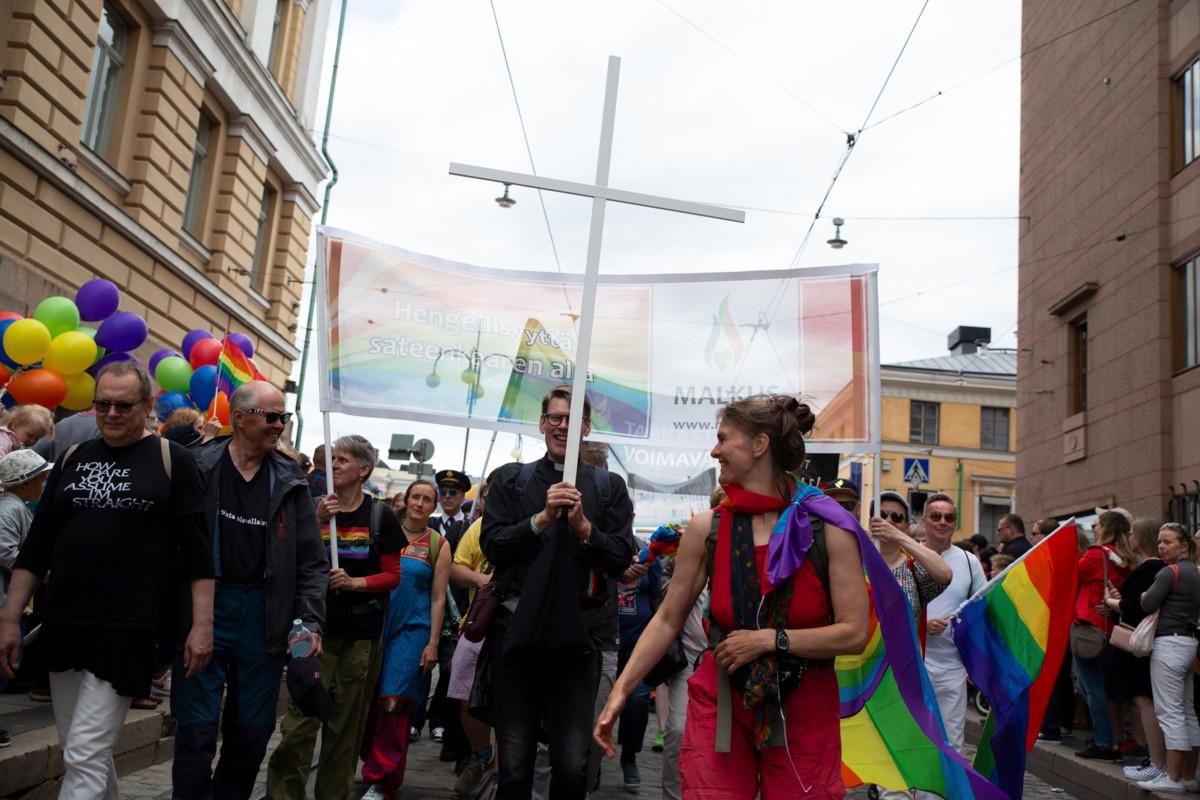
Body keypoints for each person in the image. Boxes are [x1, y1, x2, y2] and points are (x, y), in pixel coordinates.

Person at [595, 395, 869, 798]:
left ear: (759, 445)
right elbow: (668, 619)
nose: (714, 450)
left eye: (724, 438)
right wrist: (621, 691)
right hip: (721, 699)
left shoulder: (830, 529)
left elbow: (854, 632)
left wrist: (770, 639)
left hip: (803, 705)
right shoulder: (707, 529)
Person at [0, 361, 215, 799]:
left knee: (84, 753)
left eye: (123, 405)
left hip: (128, 627)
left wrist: (202, 625)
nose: (112, 414)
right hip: (63, 621)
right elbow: (37, 546)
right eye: (103, 405)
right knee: (83, 750)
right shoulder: (72, 457)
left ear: (148, 405)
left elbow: (198, 554)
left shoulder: (174, 461)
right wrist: (8, 620)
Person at [172, 381, 328, 800]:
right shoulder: (198, 466)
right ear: (239, 418)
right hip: (205, 606)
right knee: (196, 730)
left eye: (284, 417)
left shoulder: (290, 479)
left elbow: (313, 563)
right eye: (271, 416)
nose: (279, 425)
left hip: (265, 614)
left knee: (251, 732)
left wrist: (308, 621)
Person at [482, 385, 636, 799]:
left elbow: (622, 559)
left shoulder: (609, 488)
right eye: (555, 417)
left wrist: (585, 528)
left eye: (572, 419)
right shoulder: (511, 481)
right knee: (514, 767)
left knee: (572, 766)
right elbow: (492, 546)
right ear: (542, 423)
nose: (562, 426)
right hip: (517, 639)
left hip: (579, 644)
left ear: (586, 427)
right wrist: (541, 519)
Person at [266, 435, 403, 800]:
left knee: (344, 729)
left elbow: (393, 574)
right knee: (298, 725)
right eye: (332, 460)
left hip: (358, 637)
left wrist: (357, 582)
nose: (335, 466)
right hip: (311, 631)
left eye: (343, 460)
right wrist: (314, 519)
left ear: (364, 469)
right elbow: (284, 555)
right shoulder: (311, 507)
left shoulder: (380, 516)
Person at [360, 479, 451, 799]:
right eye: (416, 497)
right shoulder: (384, 532)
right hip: (373, 625)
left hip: (413, 631)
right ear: (406, 500)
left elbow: (439, 597)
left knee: (394, 703)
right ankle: (371, 764)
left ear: (433, 505)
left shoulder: (438, 544)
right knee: (365, 701)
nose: (420, 503)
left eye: (428, 499)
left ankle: (382, 778)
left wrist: (433, 643)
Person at [867, 491, 951, 800]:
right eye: (883, 515)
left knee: (900, 777)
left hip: (901, 681)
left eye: (897, 517)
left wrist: (904, 541)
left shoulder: (913, 569)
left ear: (906, 524)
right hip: (859, 678)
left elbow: (944, 574)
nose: (889, 521)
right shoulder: (854, 561)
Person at [1134, 523, 1200, 792]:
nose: (1161, 546)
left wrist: (1144, 595)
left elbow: (1147, 604)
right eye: (1160, 541)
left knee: (1170, 712)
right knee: (1186, 711)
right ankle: (1189, 776)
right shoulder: (1194, 573)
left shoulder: (1168, 572)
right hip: (1188, 643)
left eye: (1168, 542)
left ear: (1184, 546)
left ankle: (1172, 778)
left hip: (1169, 644)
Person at [448, 470, 501, 798]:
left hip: (515, 630)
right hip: (476, 626)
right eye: (491, 493)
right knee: (463, 693)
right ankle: (482, 756)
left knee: (511, 702)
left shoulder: (536, 527)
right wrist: (481, 581)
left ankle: (502, 775)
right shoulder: (478, 528)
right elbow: (457, 566)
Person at [921, 494, 987, 753]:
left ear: (955, 522)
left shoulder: (970, 563)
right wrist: (923, 625)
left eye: (948, 517)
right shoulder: (909, 555)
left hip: (954, 669)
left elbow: (982, 607)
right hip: (916, 664)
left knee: (951, 745)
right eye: (936, 516)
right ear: (925, 519)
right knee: (916, 742)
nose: (942, 522)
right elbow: (891, 611)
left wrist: (976, 662)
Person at [1104, 518, 1167, 782]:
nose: (1129, 537)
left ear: (1141, 537)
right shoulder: (1150, 568)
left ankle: (1157, 761)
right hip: (1142, 644)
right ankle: (1155, 760)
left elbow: (1137, 606)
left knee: (1145, 701)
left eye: (1133, 533)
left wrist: (1111, 601)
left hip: (1138, 646)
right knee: (1145, 701)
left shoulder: (1149, 569)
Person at [0, 449, 53, 749]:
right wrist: (33, 570)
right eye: (41, 480)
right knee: (5, 661)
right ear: (23, 484)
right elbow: (4, 549)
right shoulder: (10, 509)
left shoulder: (18, 506)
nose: (44, 485)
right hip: (4, 599)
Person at [1071, 509, 1133, 760]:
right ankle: (1113, 739)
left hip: (1088, 626)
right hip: (1110, 629)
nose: (1093, 529)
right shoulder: (1124, 559)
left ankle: (1104, 742)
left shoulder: (1097, 556)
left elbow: (1071, 576)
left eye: (1096, 525)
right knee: (1102, 687)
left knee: (1091, 687)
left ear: (1106, 528)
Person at [425, 468, 472, 757]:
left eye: (454, 492)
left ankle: (438, 720)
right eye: (444, 492)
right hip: (427, 603)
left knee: (449, 667)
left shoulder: (469, 526)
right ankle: (416, 719)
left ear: (463, 496)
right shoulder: (427, 522)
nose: (448, 497)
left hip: (455, 606)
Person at [613, 553, 665, 790]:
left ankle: (629, 756)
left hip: (637, 647)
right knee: (595, 702)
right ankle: (588, 763)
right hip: (602, 642)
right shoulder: (602, 548)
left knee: (636, 701)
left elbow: (658, 603)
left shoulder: (648, 555)